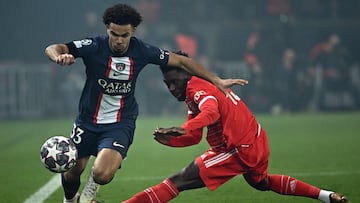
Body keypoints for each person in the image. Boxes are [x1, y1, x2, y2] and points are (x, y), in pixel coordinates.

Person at [44, 4, 247, 203]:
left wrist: (216, 80)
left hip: (120, 122)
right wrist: (59, 56)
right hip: (87, 120)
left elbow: (182, 61)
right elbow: (54, 47)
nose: (119, 40)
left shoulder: (143, 51)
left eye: (125, 35)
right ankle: (70, 200)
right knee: (72, 171)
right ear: (107, 29)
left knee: (102, 174)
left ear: (133, 31)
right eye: (114, 34)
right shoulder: (93, 46)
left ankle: (88, 197)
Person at [121, 52, 349, 203]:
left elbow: (211, 112)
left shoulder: (197, 88)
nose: (171, 88)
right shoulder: (197, 90)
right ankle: (327, 196)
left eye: (174, 81)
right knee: (262, 183)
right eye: (167, 84)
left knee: (176, 182)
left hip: (238, 148)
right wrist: (173, 139)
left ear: (188, 75)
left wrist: (185, 126)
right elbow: (194, 137)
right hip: (256, 140)